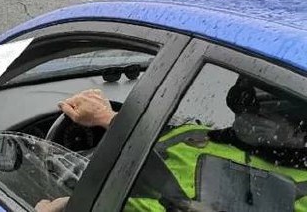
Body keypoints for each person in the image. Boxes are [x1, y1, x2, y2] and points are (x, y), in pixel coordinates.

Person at [36, 82, 307, 211]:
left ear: (301, 126)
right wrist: (108, 119)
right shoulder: (194, 134)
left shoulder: (300, 192)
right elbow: (142, 150)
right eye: (242, 105)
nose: (247, 117)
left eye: (267, 114)